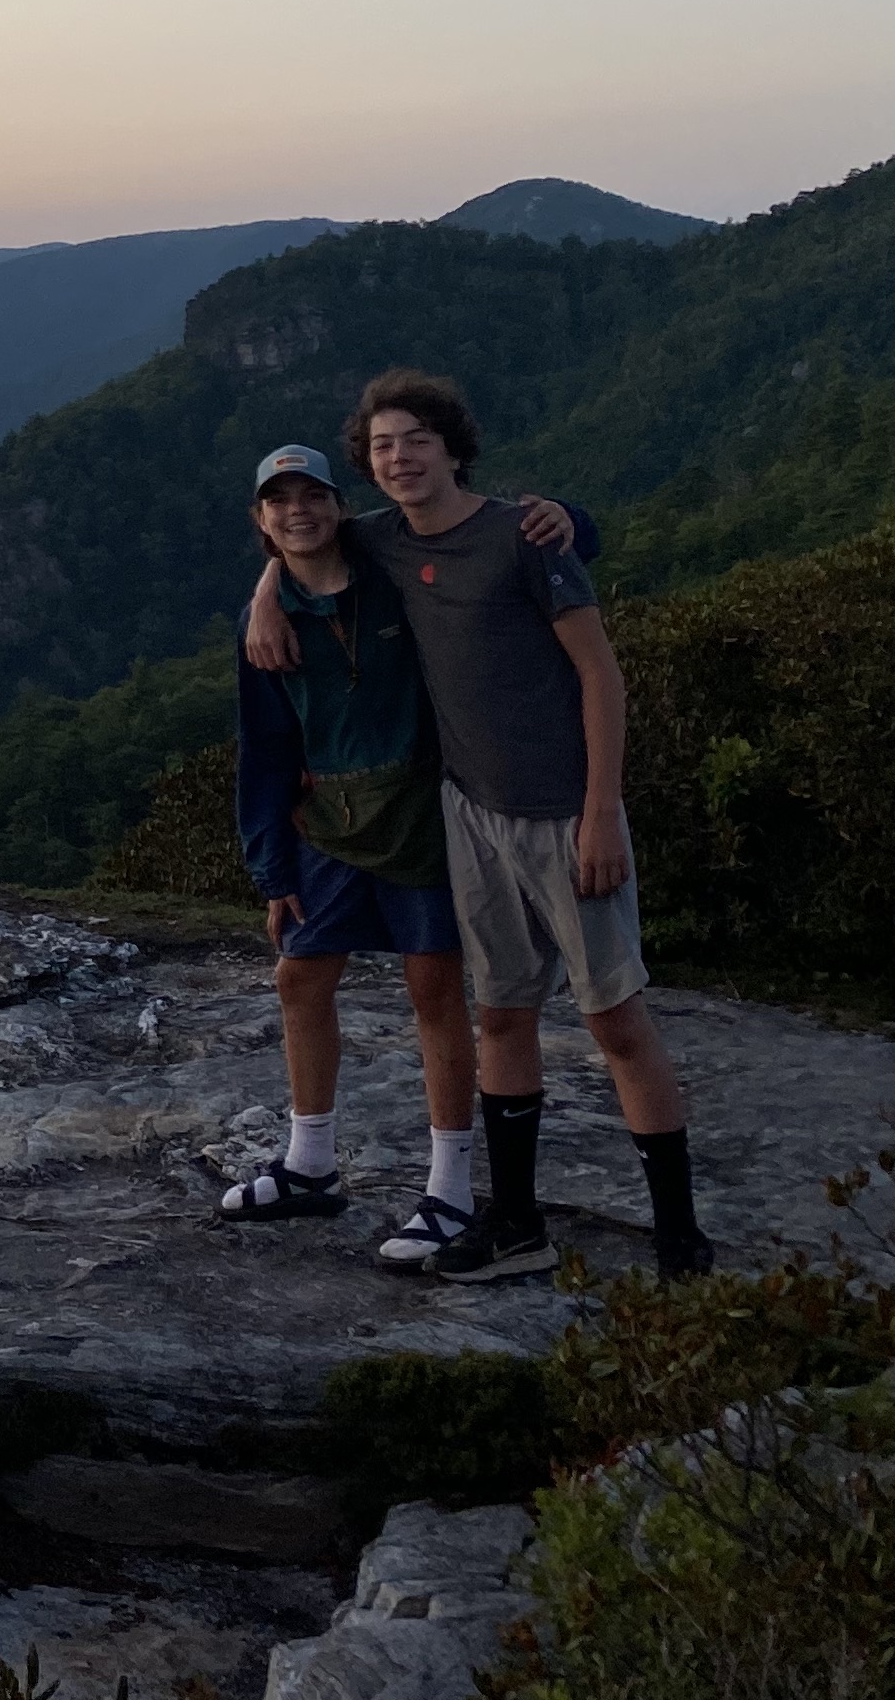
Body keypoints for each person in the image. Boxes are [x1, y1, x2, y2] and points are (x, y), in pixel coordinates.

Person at [247, 368, 711, 1281]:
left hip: (563, 811)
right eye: (383, 447)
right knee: (501, 1014)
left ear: (453, 448)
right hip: (470, 813)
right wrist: (265, 593)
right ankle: (516, 1224)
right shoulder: (382, 539)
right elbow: (302, 536)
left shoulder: (524, 536)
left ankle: (679, 1239)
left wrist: (601, 812)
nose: (400, 458)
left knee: (615, 1020)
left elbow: (600, 674)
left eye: (416, 440)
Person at [218, 442, 559, 1269]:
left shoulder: (394, 572)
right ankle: (310, 1161)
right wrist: (271, 867)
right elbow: (264, 748)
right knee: (300, 977)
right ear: (261, 520)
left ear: (340, 506)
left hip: (421, 814)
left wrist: (565, 518)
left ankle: (449, 1189)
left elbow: (502, 539)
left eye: (312, 495)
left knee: (433, 989)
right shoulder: (268, 622)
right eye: (279, 501)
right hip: (330, 822)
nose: (298, 511)